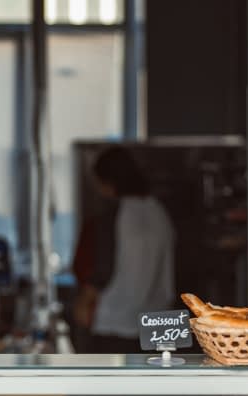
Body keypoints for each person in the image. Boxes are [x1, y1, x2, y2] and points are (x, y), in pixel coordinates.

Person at [72, 146, 175, 354]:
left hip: (117, 322)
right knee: (159, 385)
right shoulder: (159, 211)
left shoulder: (114, 214)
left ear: (109, 183)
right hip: (162, 324)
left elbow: (103, 267)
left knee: (115, 385)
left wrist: (84, 301)